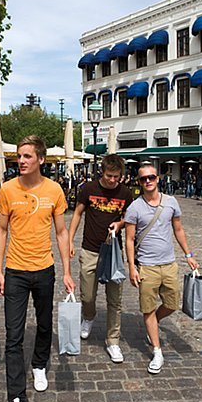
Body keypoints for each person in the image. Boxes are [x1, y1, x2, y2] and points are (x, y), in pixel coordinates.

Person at [0, 135, 75, 402]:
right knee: (12, 336)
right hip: (15, 271)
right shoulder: (6, 189)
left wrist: (67, 270)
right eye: (19, 155)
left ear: (41, 159)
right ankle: (16, 401)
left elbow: (62, 232)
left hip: (44, 269)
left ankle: (39, 364)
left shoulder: (54, 190)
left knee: (44, 324)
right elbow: (1, 230)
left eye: (28, 156)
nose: (22, 160)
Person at [125, 163, 198, 375]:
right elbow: (129, 240)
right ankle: (157, 351)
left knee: (172, 304)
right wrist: (132, 266)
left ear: (158, 178)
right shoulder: (135, 207)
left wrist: (189, 254)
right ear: (138, 182)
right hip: (146, 266)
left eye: (151, 177)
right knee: (147, 308)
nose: (147, 181)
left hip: (169, 264)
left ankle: (153, 324)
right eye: (143, 179)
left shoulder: (171, 202)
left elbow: (178, 229)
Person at [68, 154, 133, 363]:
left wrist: (120, 224)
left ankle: (113, 341)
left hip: (113, 252)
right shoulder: (88, 189)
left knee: (115, 300)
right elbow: (77, 213)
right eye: (109, 176)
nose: (113, 180)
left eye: (116, 177)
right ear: (101, 173)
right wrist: (69, 240)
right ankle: (88, 316)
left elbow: (129, 218)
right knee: (87, 296)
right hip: (89, 250)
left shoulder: (126, 193)